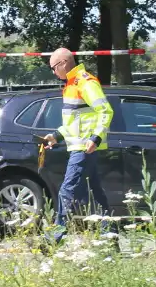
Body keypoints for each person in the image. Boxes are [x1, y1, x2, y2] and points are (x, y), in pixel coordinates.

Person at [41, 47, 114, 238]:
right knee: (96, 195)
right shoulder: (71, 85)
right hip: (82, 147)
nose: (54, 72)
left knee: (67, 190)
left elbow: (106, 111)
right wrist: (56, 136)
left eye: (54, 68)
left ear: (64, 63)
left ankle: (54, 237)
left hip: (85, 148)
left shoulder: (85, 83)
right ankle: (109, 235)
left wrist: (95, 138)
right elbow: (73, 123)